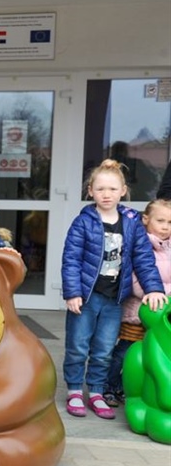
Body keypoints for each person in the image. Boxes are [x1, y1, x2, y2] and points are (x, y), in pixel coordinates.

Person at [61, 159, 167, 419]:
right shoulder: (83, 222)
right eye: (100, 189)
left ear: (123, 191)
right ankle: (75, 390)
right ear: (90, 191)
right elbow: (71, 259)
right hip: (86, 297)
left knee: (105, 348)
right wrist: (72, 292)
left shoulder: (131, 223)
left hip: (114, 300)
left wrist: (154, 288)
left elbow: (144, 259)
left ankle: (96, 391)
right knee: (77, 346)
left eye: (111, 189)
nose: (106, 194)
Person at [103, 198, 171, 407]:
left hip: (160, 317)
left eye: (170, 223)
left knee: (150, 354)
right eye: (161, 221)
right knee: (126, 351)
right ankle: (108, 386)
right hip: (137, 314)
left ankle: (131, 387)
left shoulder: (168, 248)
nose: (165, 227)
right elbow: (135, 281)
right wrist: (162, 295)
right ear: (146, 219)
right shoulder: (140, 245)